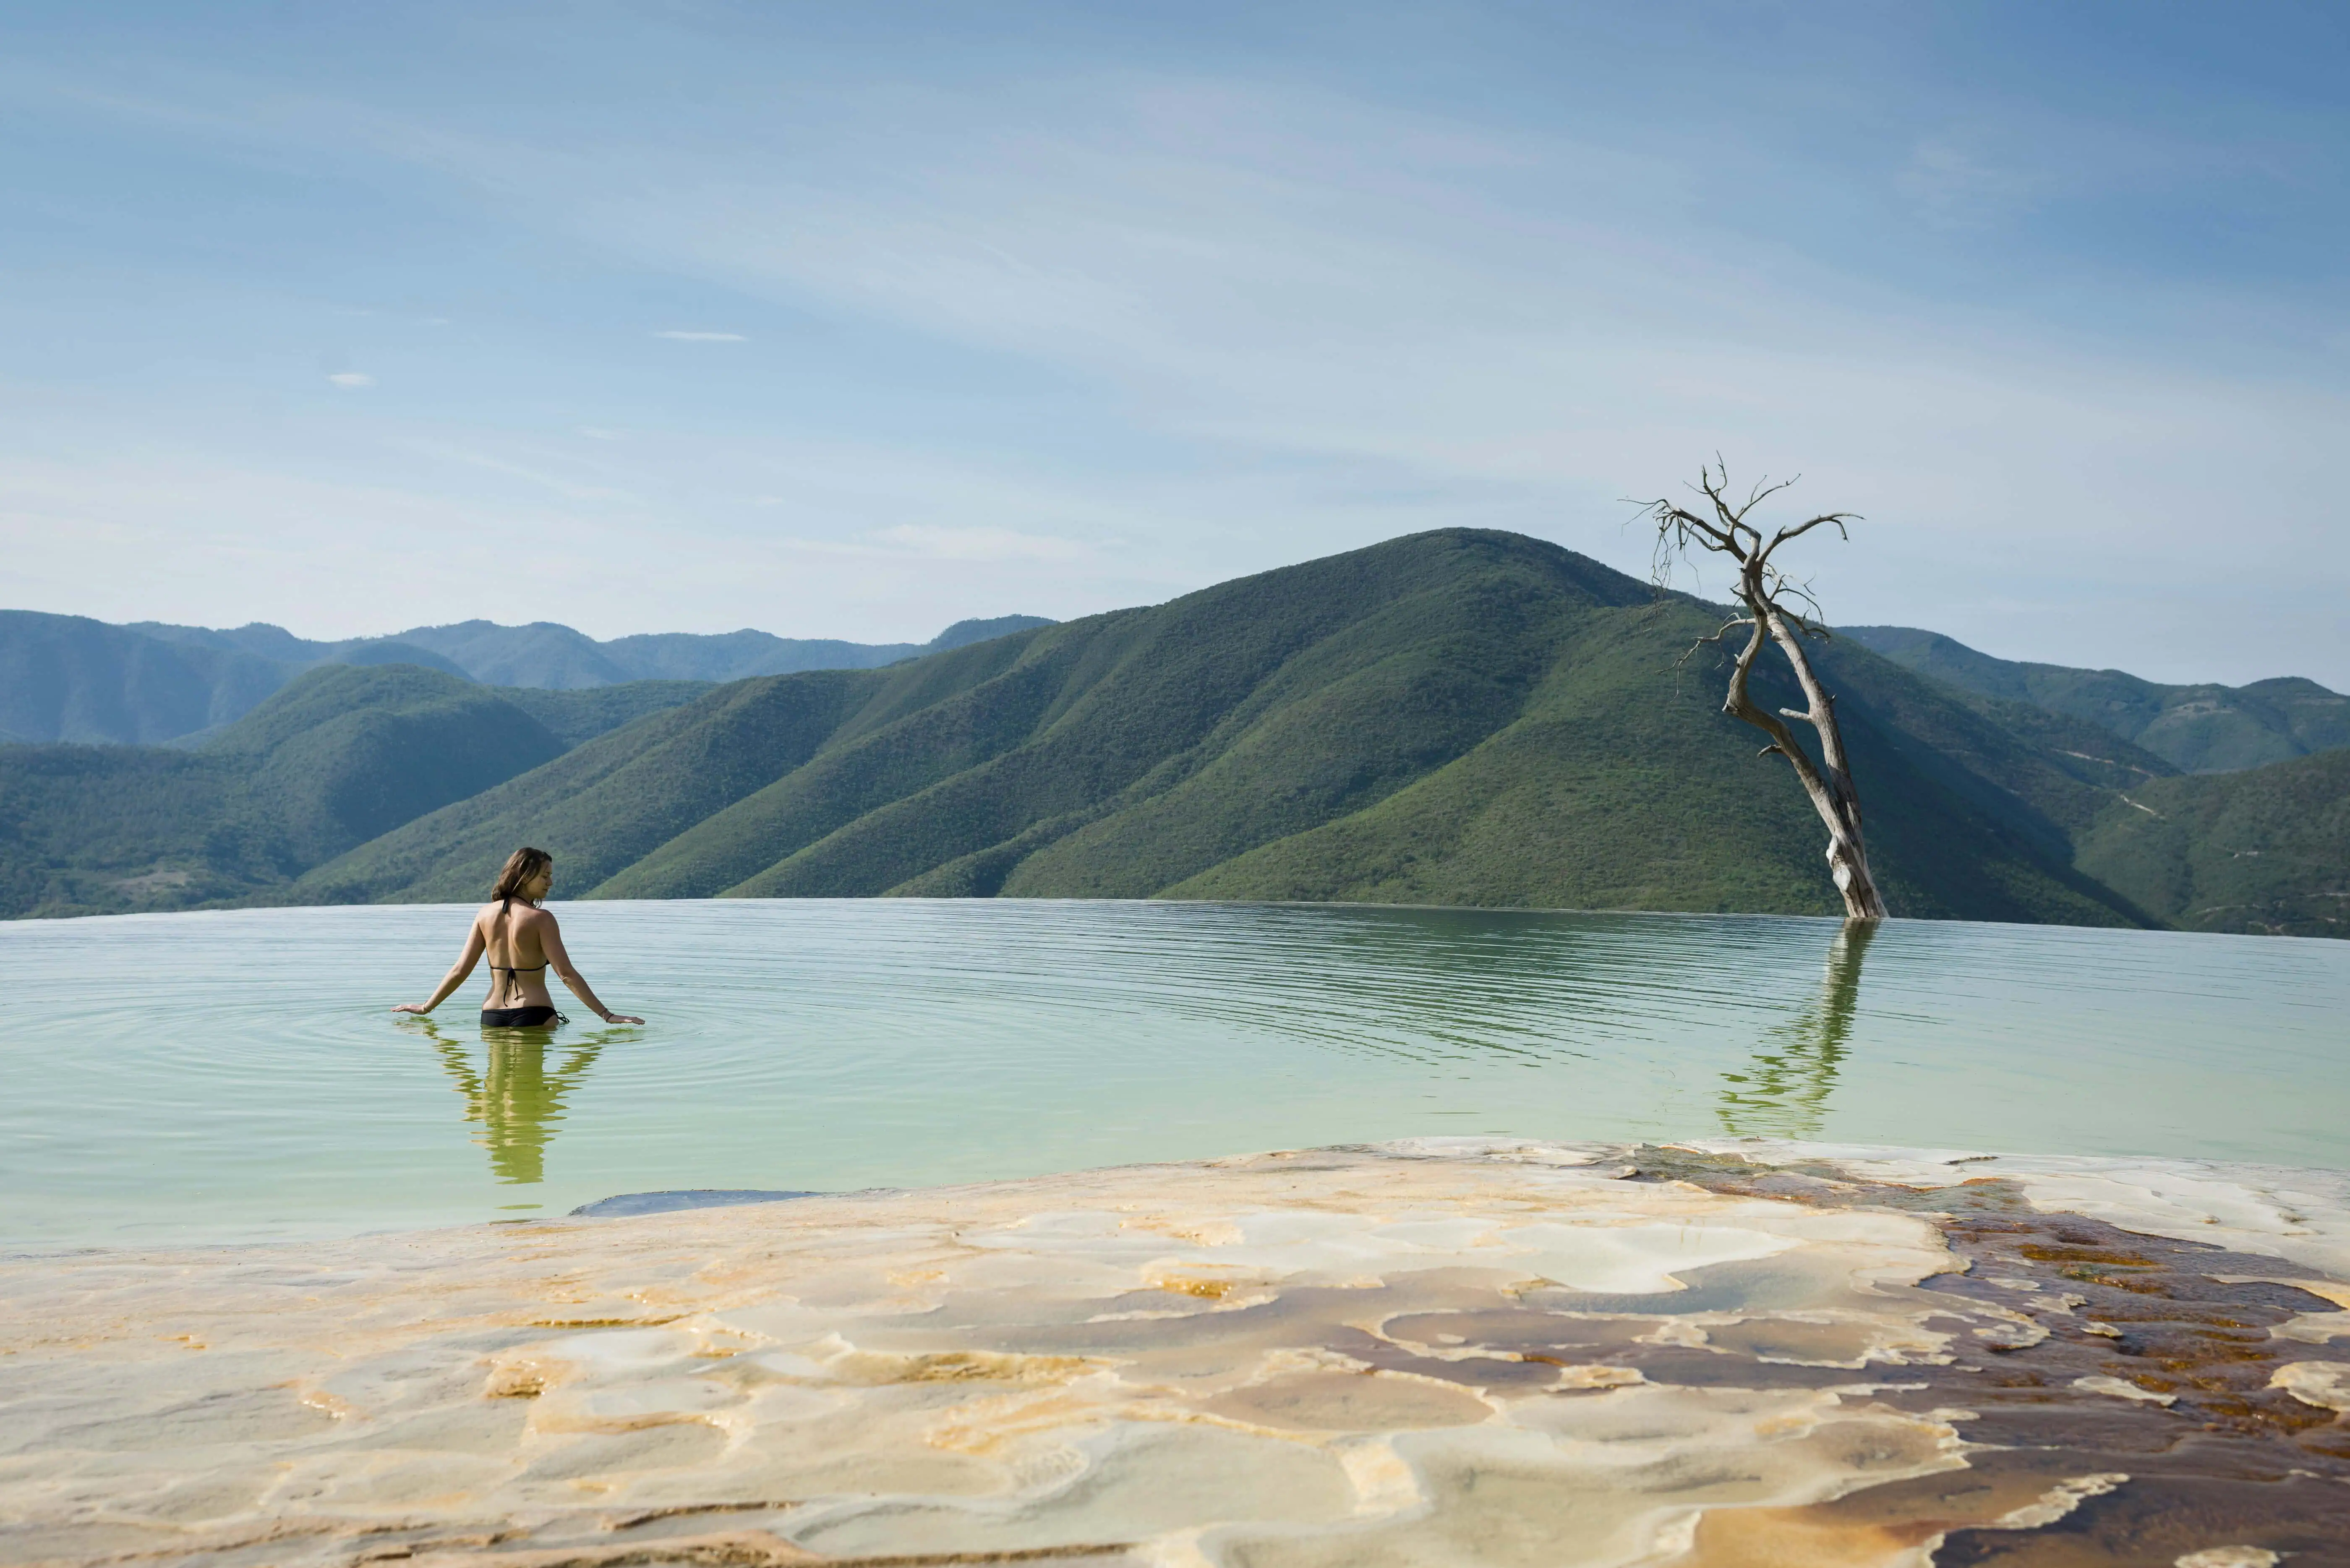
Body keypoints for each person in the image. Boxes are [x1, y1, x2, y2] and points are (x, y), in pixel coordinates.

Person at [394, 847, 644, 1027]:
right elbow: (566, 974)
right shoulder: (541, 918)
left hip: (492, 1017)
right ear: (525, 877)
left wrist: (426, 1007)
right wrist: (607, 1015)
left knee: (494, 1098)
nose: (551, 882)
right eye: (545, 876)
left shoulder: (484, 915)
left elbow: (460, 970)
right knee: (536, 1099)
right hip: (535, 1014)